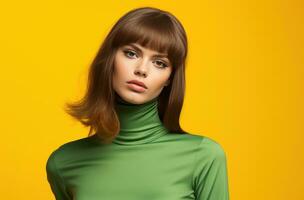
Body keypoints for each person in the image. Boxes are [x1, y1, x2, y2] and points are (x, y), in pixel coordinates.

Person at [46, 6, 230, 200]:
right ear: (110, 58)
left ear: (169, 78)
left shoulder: (203, 157)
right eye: (131, 53)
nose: (142, 70)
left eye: (160, 63)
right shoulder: (63, 164)